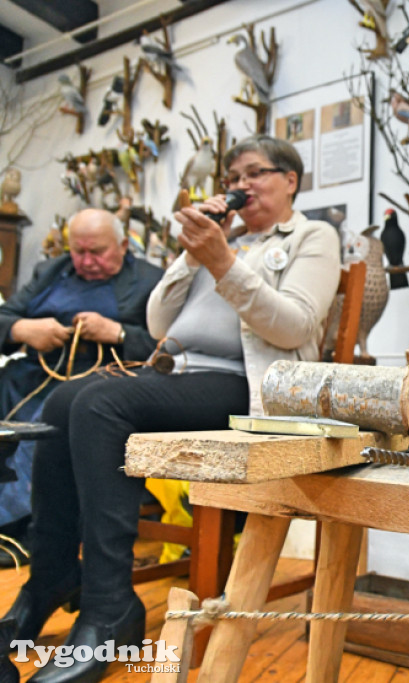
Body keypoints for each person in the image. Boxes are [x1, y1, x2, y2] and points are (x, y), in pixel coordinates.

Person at [2, 135, 340, 682]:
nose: (241, 185)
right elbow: (159, 325)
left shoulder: (311, 236)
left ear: (291, 180)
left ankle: (110, 606)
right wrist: (191, 255)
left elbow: (295, 326)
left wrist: (223, 261)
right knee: (64, 400)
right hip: (177, 373)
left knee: (100, 403)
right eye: (234, 177)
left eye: (255, 173)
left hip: (245, 384)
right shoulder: (217, 242)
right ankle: (52, 575)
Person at [0, 208, 162, 567]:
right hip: (34, 372)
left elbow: (172, 348)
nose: (86, 261)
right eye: (79, 251)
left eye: (97, 252)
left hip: (102, 378)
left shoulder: (152, 280)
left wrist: (119, 333)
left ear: (123, 245)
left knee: (47, 420)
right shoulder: (51, 271)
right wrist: (22, 330)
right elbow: (5, 317)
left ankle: (21, 529)